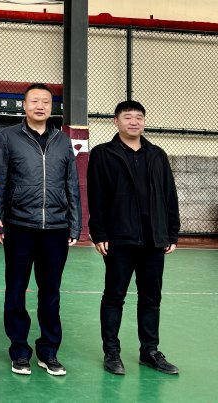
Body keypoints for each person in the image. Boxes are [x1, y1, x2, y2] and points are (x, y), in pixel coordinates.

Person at [88, 100, 180, 376]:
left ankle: (149, 351)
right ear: (115, 121)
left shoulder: (157, 155)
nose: (134, 122)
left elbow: (169, 195)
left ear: (144, 122)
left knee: (151, 297)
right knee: (114, 296)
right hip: (119, 239)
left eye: (139, 117)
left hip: (153, 239)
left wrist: (171, 232)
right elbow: (96, 196)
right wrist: (99, 232)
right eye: (128, 117)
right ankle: (111, 353)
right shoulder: (103, 154)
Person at [0, 83, 81, 376]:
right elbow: (1, 179)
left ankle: (49, 351)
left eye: (45, 101)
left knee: (51, 293)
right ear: (24, 105)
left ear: (51, 107)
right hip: (19, 226)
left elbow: (71, 183)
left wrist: (75, 224)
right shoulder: (8, 137)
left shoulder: (63, 140)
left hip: (56, 228)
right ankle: (19, 350)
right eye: (34, 101)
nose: (40, 106)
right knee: (16, 290)